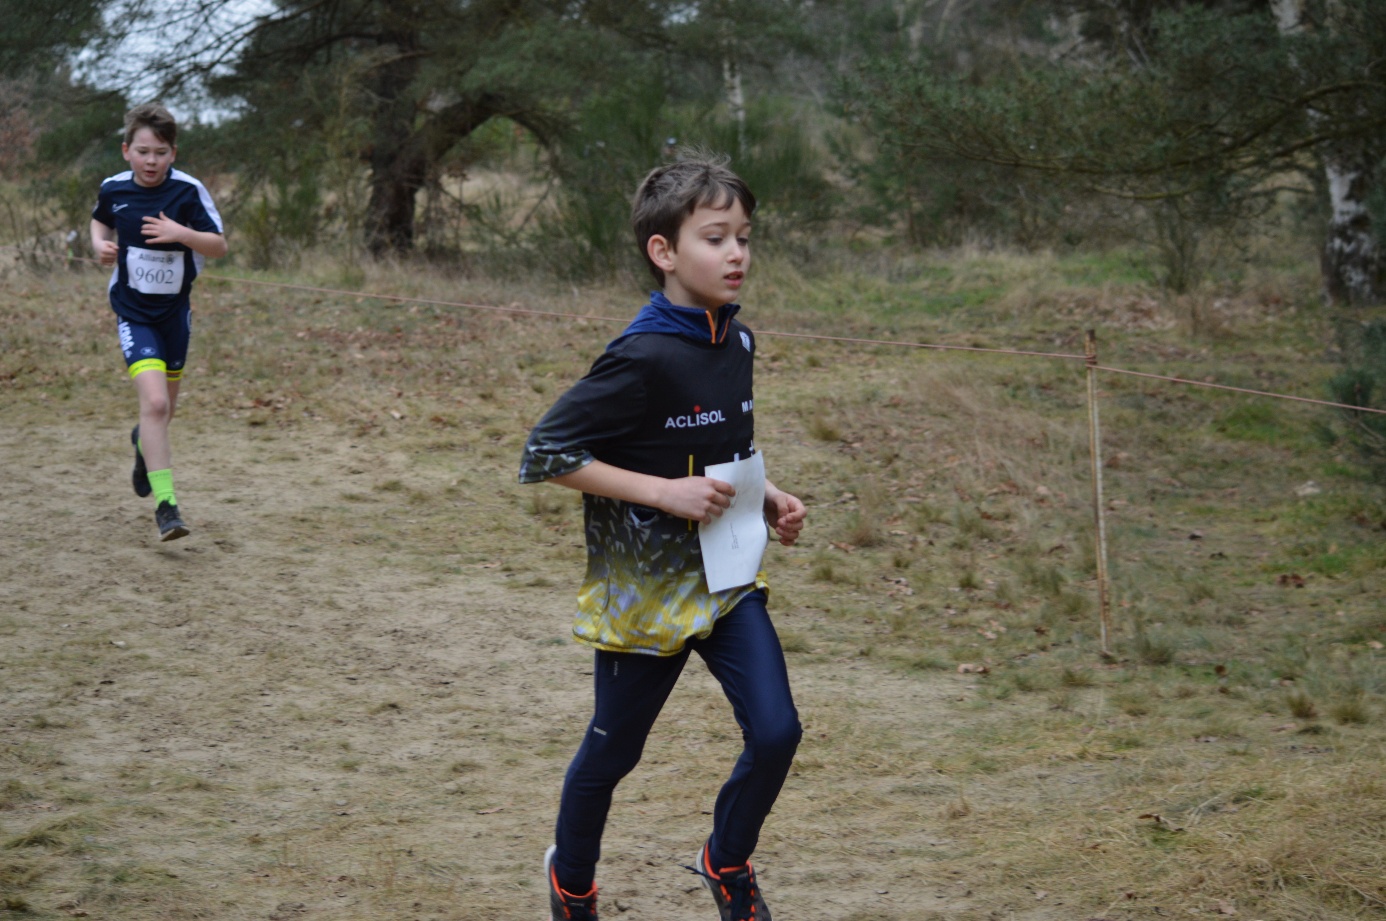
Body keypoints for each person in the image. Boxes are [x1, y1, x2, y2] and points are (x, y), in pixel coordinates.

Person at [519, 152, 806, 921]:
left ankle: (727, 859)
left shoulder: (735, 342)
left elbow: (720, 443)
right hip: (644, 591)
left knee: (777, 731)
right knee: (614, 752)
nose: (738, 252)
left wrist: (764, 491)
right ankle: (571, 877)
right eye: (716, 237)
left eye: (744, 236)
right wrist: (662, 493)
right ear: (665, 252)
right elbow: (544, 454)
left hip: (727, 576)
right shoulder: (640, 353)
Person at [90, 102, 227, 541]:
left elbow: (218, 246)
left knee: (164, 411)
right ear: (127, 150)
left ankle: (140, 444)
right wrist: (100, 246)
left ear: (174, 154)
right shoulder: (114, 188)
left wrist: (182, 234)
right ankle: (167, 507)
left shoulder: (187, 192)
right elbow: (99, 221)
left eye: (162, 152)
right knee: (154, 404)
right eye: (144, 151)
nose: (152, 161)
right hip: (133, 312)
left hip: (174, 315)